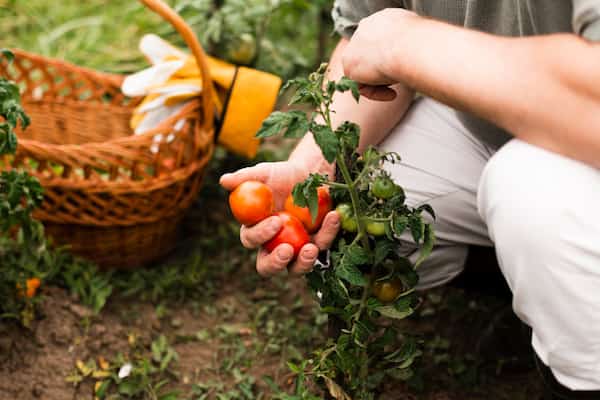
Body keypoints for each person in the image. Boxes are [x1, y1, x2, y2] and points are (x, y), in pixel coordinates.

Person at [220, 2, 600, 398]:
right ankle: (532, 286)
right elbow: (368, 42)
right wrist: (312, 175)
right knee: (356, 224)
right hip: (486, 120)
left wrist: (404, 43)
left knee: (533, 198)